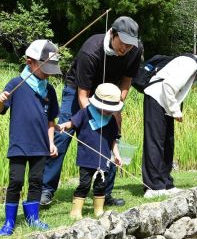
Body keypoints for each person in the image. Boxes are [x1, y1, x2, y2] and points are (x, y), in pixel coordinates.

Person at [41, 16, 143, 207]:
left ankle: (104, 192)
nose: (126, 49)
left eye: (130, 45)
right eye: (123, 44)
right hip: (79, 90)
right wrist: (93, 122)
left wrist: (116, 107)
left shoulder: (135, 50)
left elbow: (127, 80)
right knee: (63, 136)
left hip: (110, 95)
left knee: (111, 136)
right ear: (112, 34)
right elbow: (83, 95)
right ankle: (46, 189)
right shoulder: (91, 51)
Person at [142, 42, 197, 196]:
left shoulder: (195, 66)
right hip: (156, 99)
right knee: (155, 143)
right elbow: (168, 86)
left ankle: (166, 184)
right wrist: (176, 111)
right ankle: (153, 187)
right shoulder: (190, 64)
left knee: (168, 143)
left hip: (165, 104)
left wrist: (173, 110)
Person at [0, 40, 61, 235]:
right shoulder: (16, 84)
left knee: (36, 181)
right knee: (16, 181)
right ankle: (9, 221)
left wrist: (51, 142)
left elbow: (51, 120)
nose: (49, 73)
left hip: (41, 144)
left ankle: (33, 217)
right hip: (19, 143)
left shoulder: (49, 90)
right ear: (30, 62)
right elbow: (2, 108)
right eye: (46, 68)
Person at [56, 83, 122, 219]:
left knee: (101, 185)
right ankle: (76, 211)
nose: (109, 112)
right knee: (84, 184)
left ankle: (98, 210)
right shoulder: (85, 113)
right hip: (87, 157)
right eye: (107, 109)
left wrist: (116, 155)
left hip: (104, 158)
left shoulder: (111, 120)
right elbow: (72, 123)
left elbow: (113, 140)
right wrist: (64, 126)